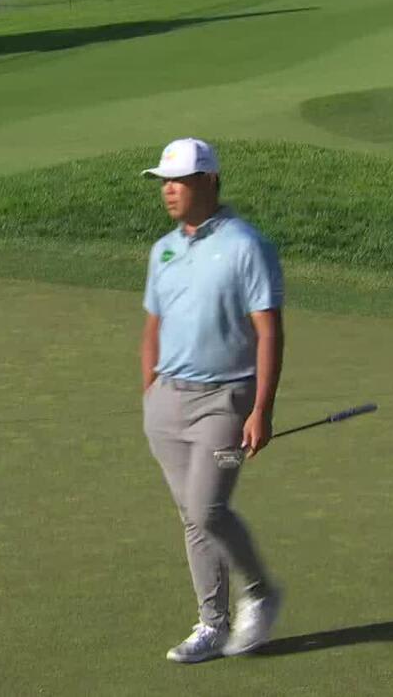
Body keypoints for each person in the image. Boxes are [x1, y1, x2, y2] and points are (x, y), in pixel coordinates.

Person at [139, 138, 284, 663]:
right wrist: (150, 391)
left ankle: (262, 591)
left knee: (207, 508)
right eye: (163, 181)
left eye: (178, 180)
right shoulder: (164, 249)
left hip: (226, 399)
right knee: (191, 517)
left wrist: (261, 408)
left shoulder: (247, 245)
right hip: (168, 404)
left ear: (209, 182)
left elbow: (268, 331)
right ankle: (212, 624)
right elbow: (153, 327)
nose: (168, 190)